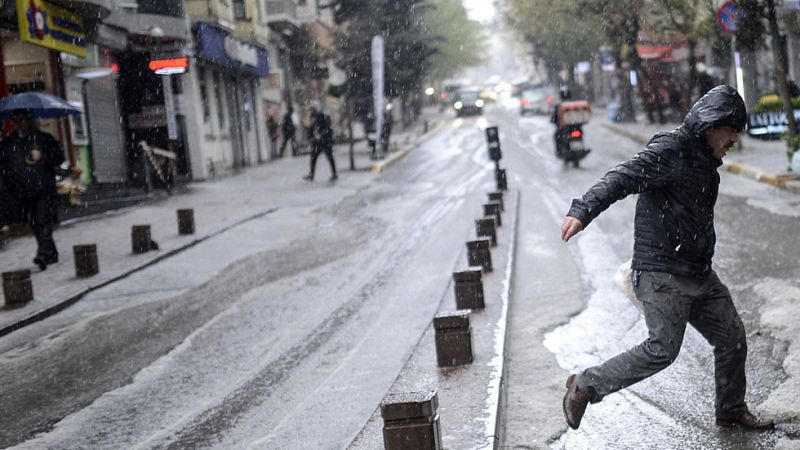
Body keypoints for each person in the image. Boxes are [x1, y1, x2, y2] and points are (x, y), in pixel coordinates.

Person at [560, 86, 775, 431]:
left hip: (698, 273)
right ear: (711, 124)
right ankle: (585, 385)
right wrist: (583, 210)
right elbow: (621, 177)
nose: (735, 137)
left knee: (732, 338)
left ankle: (731, 410)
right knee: (662, 349)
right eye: (731, 129)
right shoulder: (669, 150)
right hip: (661, 271)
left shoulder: (707, 161)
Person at [0, 109, 65, 270]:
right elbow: (4, 166)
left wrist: (42, 157)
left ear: (29, 121)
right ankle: (51, 252)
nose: (18, 123)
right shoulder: (8, 144)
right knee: (35, 222)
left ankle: (43, 254)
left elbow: (59, 158)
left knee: (43, 219)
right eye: (15, 120)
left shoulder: (43, 139)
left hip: (43, 188)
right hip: (22, 190)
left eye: (21, 119)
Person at [303, 102, 337, 182]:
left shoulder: (324, 116)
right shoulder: (312, 117)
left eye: (313, 109)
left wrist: (321, 135)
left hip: (325, 141)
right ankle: (311, 174)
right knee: (313, 157)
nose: (312, 111)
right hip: (317, 142)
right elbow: (311, 128)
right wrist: (310, 137)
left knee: (330, 157)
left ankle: (334, 173)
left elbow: (327, 128)